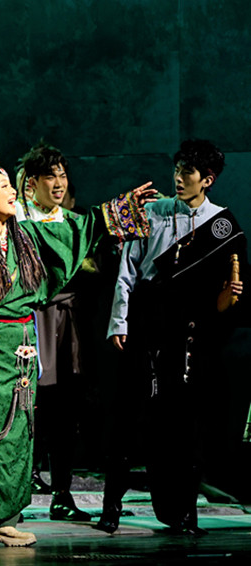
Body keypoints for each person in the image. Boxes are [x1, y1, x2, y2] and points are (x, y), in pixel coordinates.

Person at [0, 161, 154, 549]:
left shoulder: (28, 238)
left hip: (21, 346)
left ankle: (2, 519)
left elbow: (75, 230)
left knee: (16, 434)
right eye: (4, 186)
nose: (13, 192)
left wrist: (117, 210)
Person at [102, 139, 246, 535]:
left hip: (190, 332)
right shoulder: (152, 212)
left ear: (208, 180)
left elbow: (232, 288)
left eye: (188, 172)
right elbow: (128, 271)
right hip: (146, 320)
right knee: (131, 412)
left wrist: (228, 297)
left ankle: (183, 512)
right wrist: (119, 322)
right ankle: (111, 507)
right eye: (177, 169)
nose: (178, 178)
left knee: (184, 423)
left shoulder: (222, 224)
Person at [16, 141, 92, 521]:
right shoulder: (17, 221)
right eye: (51, 176)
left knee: (65, 409)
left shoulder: (73, 222)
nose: (59, 183)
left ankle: (62, 493)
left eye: (62, 175)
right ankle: (15, 494)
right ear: (31, 182)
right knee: (27, 406)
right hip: (30, 320)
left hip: (68, 322)